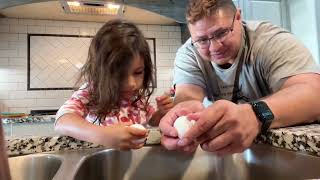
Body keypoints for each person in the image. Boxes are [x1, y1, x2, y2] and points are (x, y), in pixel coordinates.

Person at [159, 0, 320, 156]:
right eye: (202, 40)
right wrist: (184, 114)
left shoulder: (270, 41)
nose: (214, 47)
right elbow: (187, 95)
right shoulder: (189, 53)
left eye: (221, 33)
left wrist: (255, 114)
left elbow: (314, 93)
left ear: (238, 17)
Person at [55, 19, 174, 150]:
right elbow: (62, 121)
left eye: (138, 72)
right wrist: (103, 135)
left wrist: (160, 112)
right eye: (120, 75)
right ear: (101, 71)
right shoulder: (93, 91)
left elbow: (151, 121)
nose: (131, 84)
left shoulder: (136, 97)